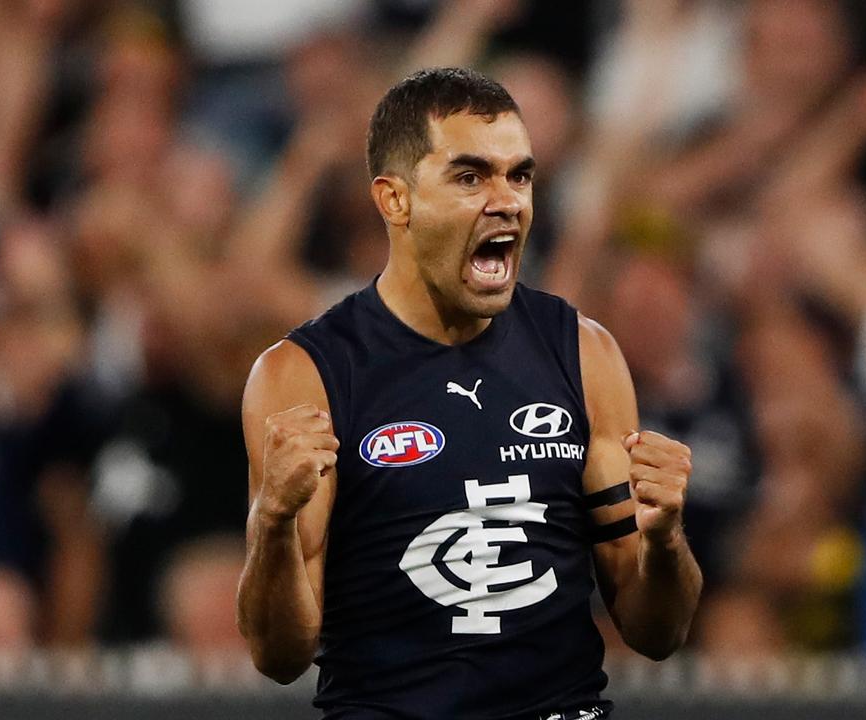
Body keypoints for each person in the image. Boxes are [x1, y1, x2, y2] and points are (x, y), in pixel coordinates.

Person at [236, 67, 703, 719]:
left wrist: (665, 542)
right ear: (394, 200)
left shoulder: (584, 354)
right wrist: (274, 523)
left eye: (520, 175)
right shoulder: (305, 375)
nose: (507, 200)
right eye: (470, 176)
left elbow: (658, 633)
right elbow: (277, 656)